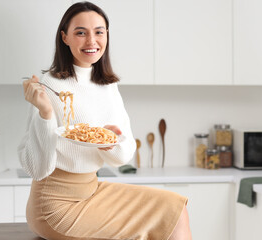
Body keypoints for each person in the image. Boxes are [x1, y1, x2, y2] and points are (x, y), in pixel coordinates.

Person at [18, 2, 192, 240]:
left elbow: (123, 156)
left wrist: (110, 141)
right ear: (65, 37)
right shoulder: (49, 86)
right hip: (54, 205)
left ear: (106, 36)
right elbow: (36, 169)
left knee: (175, 208)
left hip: (92, 190)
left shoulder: (107, 86)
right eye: (81, 32)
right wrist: (45, 114)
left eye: (99, 32)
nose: (91, 41)